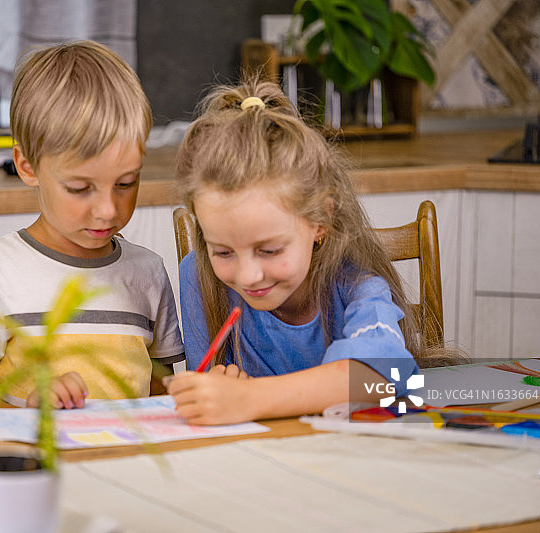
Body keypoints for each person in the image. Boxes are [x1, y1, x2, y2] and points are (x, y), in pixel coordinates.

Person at [167, 78, 443, 425]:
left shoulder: (355, 283)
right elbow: (208, 393)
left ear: (320, 221)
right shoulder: (199, 275)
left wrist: (250, 398)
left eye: (269, 250)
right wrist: (211, 393)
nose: (248, 275)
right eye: (222, 251)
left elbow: (390, 378)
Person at [0, 41, 184, 415]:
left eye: (125, 183)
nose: (107, 210)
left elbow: (160, 396)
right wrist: (30, 416)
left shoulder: (148, 272)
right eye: (80, 188)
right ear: (27, 166)